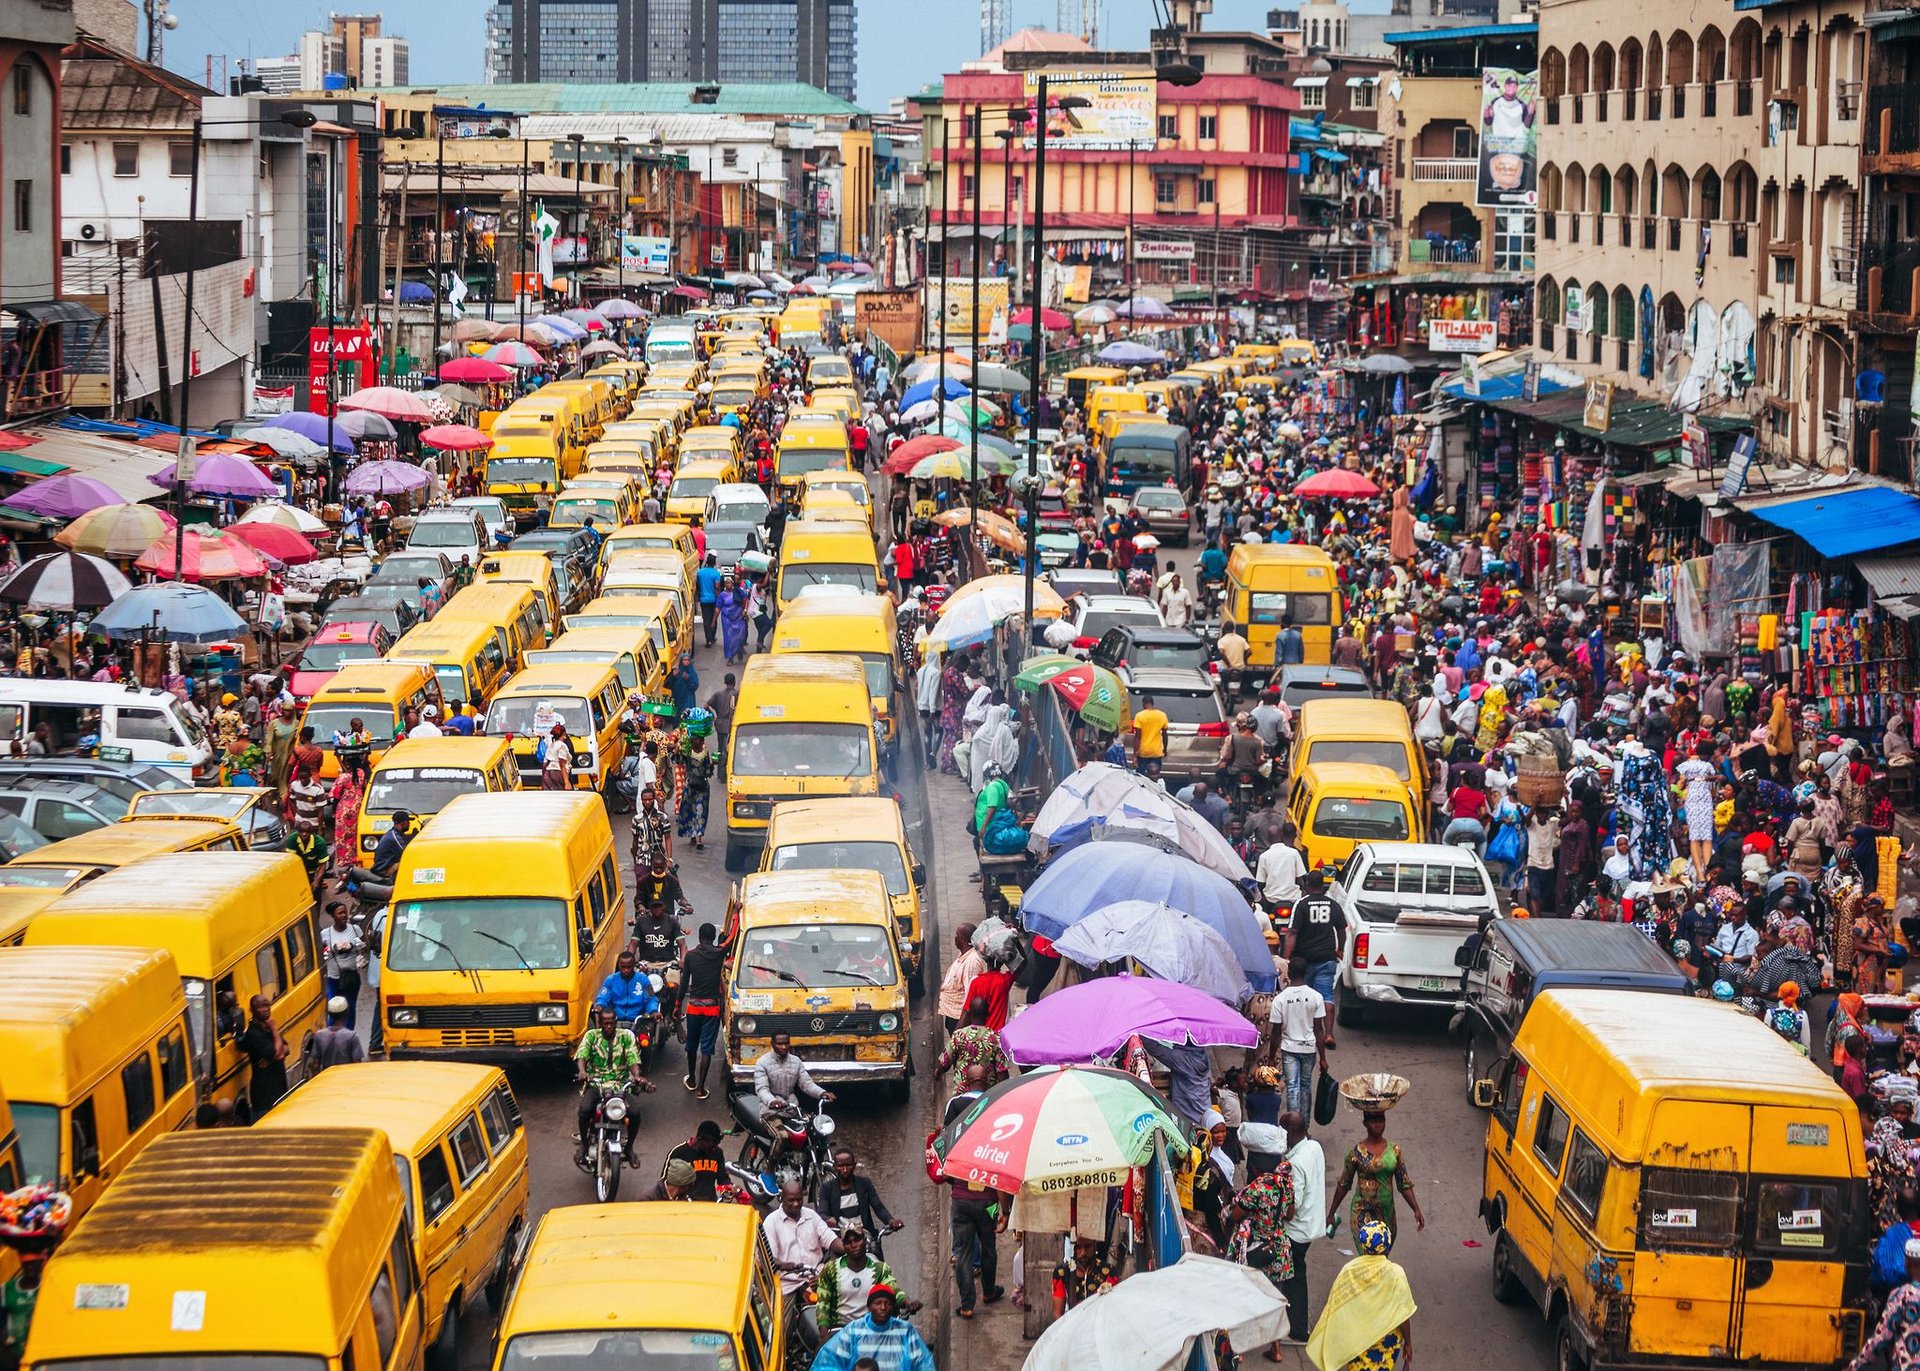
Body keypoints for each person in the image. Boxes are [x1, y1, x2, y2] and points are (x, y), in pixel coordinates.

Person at [1307, 1218, 1416, 1371]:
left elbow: (1337, 1304)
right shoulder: (1396, 1273)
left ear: (1363, 1246)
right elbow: (1403, 1314)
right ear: (1387, 1246)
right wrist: (1408, 1343)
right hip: (1385, 1341)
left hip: (1357, 1339)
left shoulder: (1349, 1270)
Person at [1227, 1164, 1300, 1360]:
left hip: (1256, 1248)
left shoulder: (1258, 1188)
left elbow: (1235, 1214)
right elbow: (1290, 1215)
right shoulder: (1287, 1186)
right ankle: (1276, 1349)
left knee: (1245, 1297)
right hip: (1280, 1249)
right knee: (1275, 1300)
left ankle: (1240, 1351)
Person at [765, 1181, 841, 1353]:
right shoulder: (772, 1222)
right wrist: (786, 1265)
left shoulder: (811, 1215)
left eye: (799, 1200)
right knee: (780, 1332)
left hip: (816, 1275)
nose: (796, 1204)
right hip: (788, 1282)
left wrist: (849, 1248)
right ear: (781, 1199)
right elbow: (769, 1258)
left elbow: (830, 1239)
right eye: (791, 1200)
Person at [573, 1004, 653, 1167]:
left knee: (635, 1113)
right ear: (600, 1023)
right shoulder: (591, 1036)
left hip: (620, 1085)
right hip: (596, 1083)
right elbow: (582, 1055)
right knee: (585, 1111)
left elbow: (632, 1058)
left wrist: (637, 1076)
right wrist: (582, 1072)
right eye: (605, 1023)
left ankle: (629, 1148)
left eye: (611, 1023)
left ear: (616, 1022)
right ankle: (584, 1144)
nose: (609, 1026)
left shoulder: (626, 1037)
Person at [1327, 1109, 1425, 1239]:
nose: (1378, 1124)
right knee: (1367, 1256)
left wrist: (1416, 1209)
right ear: (1365, 1123)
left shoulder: (1394, 1150)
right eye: (1373, 1121)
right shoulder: (1355, 1153)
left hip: (1386, 1214)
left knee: (1382, 1256)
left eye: (1381, 1120)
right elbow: (1344, 1184)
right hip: (1362, 1214)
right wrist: (1331, 1213)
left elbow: (1404, 1183)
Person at [1280, 1109, 1326, 1348]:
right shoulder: (1314, 1148)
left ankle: (1297, 1328)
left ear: (1290, 1133)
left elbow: (1292, 1205)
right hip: (1311, 1223)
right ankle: (1294, 1323)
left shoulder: (1295, 1164)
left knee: (1294, 1276)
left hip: (1297, 1229)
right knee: (1295, 1274)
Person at [808, 1285, 935, 1371]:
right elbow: (828, 1362)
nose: (883, 1308)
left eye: (888, 1304)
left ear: (893, 1307)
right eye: (877, 1303)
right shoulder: (854, 1331)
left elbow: (923, 1363)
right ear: (869, 1307)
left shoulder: (905, 1331)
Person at [1285, 869, 1347, 1045]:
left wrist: (1286, 958)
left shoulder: (1301, 904)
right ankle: (1328, 1035)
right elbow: (1342, 930)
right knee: (1326, 996)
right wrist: (1340, 949)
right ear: (1323, 885)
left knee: (1303, 996)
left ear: (1307, 885)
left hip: (1304, 960)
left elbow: (1292, 933)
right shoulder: (1333, 905)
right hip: (1326, 958)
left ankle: (1306, 1032)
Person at [1268, 956, 1330, 1121]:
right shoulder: (1316, 997)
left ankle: (1292, 1128)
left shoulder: (1280, 999)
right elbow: (1319, 1030)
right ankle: (1304, 1127)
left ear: (1289, 973)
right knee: (1305, 1087)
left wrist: (1271, 1057)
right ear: (1306, 972)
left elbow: (1275, 1031)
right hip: (1309, 1049)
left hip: (1289, 1049)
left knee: (1292, 1088)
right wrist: (1323, 1058)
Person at [815, 1149, 902, 1251]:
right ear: (834, 1167)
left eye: (848, 1165)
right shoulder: (827, 1188)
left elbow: (878, 1207)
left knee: (879, 1265)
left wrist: (891, 1221)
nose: (845, 1170)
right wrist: (828, 1219)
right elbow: (821, 1213)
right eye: (841, 1166)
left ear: (854, 1166)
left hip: (865, 1238)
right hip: (841, 1241)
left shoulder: (864, 1184)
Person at [681, 921, 728, 1098]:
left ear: (700, 937)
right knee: (706, 1049)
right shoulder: (719, 953)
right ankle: (701, 1088)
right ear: (713, 938)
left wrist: (678, 1007)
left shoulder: (691, 956)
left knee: (691, 1045)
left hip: (693, 1007)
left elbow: (684, 984)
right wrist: (737, 915)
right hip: (711, 1008)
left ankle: (692, 1079)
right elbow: (729, 940)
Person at [935, 996, 1010, 1084]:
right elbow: (1002, 1073)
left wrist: (938, 1072)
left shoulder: (959, 1036)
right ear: (987, 1014)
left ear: (969, 1014)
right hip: (987, 1094)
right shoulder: (995, 1039)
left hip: (962, 1093)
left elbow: (944, 1062)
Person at [755, 1031, 835, 1113]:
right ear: (772, 1044)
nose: (784, 1047)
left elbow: (807, 1084)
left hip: (792, 1106)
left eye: (786, 1043)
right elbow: (762, 1089)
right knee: (777, 1125)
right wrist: (772, 1101)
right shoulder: (762, 1063)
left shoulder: (796, 1061)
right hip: (770, 1109)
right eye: (779, 1044)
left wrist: (822, 1093)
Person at [237, 993, 290, 1118]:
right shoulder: (254, 1033)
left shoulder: (266, 1028)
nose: (266, 1009)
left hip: (278, 1087)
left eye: (267, 1005)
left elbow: (287, 1049)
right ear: (252, 1010)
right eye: (260, 1007)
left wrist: (271, 1059)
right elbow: (280, 1054)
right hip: (265, 1095)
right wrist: (274, 1029)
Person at [318, 902, 368, 1031]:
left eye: (345, 912)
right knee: (333, 1009)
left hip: (352, 977)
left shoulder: (355, 929)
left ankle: (348, 1035)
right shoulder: (325, 934)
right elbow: (321, 954)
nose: (344, 915)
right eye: (340, 913)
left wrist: (357, 948)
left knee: (350, 1008)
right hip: (333, 978)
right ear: (333, 916)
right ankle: (332, 1036)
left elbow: (364, 946)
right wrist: (332, 949)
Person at [937, 922, 986, 1034]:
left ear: (963, 939)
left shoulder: (972, 962)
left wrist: (960, 1029)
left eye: (957, 935)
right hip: (952, 1014)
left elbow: (970, 996)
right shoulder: (963, 955)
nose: (955, 938)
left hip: (960, 1020)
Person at [1051, 1236, 1118, 1318]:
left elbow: (1113, 1308)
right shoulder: (1061, 1272)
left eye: (1087, 1246)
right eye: (1078, 1247)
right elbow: (1058, 1313)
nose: (1083, 1253)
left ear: (1095, 1245)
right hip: (1073, 1324)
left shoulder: (1108, 1271)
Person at [663, 1119, 728, 1202]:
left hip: (710, 1204)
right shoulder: (679, 1152)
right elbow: (665, 1183)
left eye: (716, 1144)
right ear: (699, 1139)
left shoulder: (717, 1152)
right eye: (711, 1144)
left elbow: (722, 1178)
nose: (714, 1148)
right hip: (685, 1204)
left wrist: (730, 1187)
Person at [594, 948, 662, 1025]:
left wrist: (653, 1011)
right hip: (615, 1022)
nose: (626, 970)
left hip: (638, 1021)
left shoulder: (643, 979)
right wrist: (599, 1005)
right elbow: (603, 997)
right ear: (619, 966)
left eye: (629, 967)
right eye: (623, 967)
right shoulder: (610, 980)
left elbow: (651, 999)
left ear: (634, 965)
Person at [304, 995, 367, 1075]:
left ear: (329, 1013)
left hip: (327, 1080)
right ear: (346, 1013)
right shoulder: (352, 1036)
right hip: (347, 1080)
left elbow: (315, 1065)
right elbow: (357, 1064)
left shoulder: (320, 1035)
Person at [1133, 694, 1169, 772]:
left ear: (1143, 703)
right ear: (1152, 703)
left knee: (1142, 777)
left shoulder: (1139, 716)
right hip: (1156, 752)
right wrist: (1165, 749)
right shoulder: (1162, 715)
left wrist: (1135, 755)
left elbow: (1137, 737)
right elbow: (1165, 735)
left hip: (1143, 752)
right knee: (1154, 775)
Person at [540, 722, 573, 790]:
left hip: (548, 774)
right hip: (558, 774)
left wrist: (543, 779)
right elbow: (562, 765)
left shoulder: (550, 746)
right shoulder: (562, 746)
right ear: (564, 734)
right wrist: (567, 783)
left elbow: (544, 764)